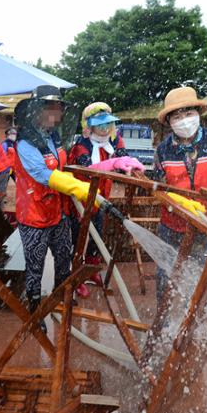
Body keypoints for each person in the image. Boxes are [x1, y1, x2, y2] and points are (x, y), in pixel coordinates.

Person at [13, 85, 98, 331]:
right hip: (34, 216)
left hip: (58, 212)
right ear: (36, 111)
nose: (56, 113)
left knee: (63, 260)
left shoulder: (54, 138)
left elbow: (63, 166)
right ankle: (35, 311)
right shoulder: (25, 142)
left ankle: (60, 300)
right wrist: (73, 187)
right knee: (36, 267)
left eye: (58, 108)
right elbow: (40, 173)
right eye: (50, 108)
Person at [153, 87, 207, 301]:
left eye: (189, 113)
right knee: (165, 278)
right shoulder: (163, 150)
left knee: (202, 277)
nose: (184, 120)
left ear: (198, 114)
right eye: (177, 116)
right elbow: (158, 187)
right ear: (169, 121)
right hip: (172, 224)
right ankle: (162, 322)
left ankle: (192, 321)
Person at [67, 102, 144, 297]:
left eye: (107, 124)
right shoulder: (81, 146)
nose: (104, 129)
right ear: (90, 126)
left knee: (97, 237)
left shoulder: (115, 140)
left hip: (100, 197)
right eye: (99, 125)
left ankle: (92, 272)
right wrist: (114, 162)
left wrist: (130, 165)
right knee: (79, 240)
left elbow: (122, 156)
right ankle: (76, 277)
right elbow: (88, 168)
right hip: (80, 199)